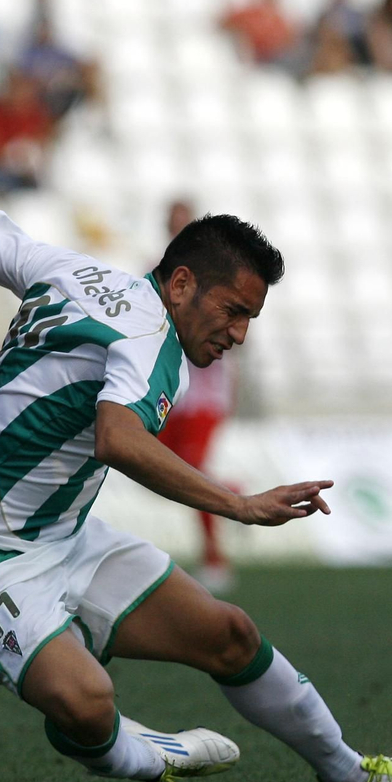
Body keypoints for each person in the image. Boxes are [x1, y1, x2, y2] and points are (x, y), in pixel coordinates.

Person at [0, 202, 392, 782]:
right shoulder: (149, 342)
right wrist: (241, 506)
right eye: (233, 311)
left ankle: (346, 769)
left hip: (65, 539)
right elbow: (117, 438)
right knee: (87, 705)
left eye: (251, 316)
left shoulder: (73, 269)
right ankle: (147, 754)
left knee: (231, 635)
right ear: (181, 284)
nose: (240, 333)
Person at [154, 200, 239, 592]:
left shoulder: (215, 275)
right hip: (176, 394)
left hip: (205, 396)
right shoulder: (162, 270)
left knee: (190, 469)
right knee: (156, 466)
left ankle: (215, 558)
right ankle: (236, 493)